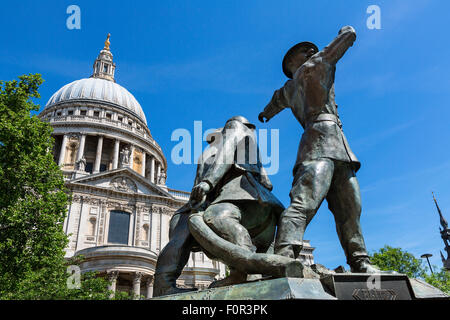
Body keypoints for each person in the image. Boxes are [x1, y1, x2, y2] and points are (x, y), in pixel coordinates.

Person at [258, 26, 379, 273]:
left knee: (347, 205)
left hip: (335, 146)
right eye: (305, 51)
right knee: (318, 203)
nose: (311, 51)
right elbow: (342, 43)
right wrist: (347, 32)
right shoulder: (317, 65)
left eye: (312, 50)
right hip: (320, 142)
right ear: (291, 61)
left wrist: (265, 114)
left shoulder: (286, 90)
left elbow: (273, 104)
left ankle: (359, 260)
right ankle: (285, 255)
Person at [153, 116, 285, 297]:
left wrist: (209, 183)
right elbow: (267, 182)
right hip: (264, 206)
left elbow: (200, 187)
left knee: (182, 226)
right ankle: (253, 272)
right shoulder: (251, 146)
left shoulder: (230, 134)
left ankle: (164, 283)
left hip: (238, 198)